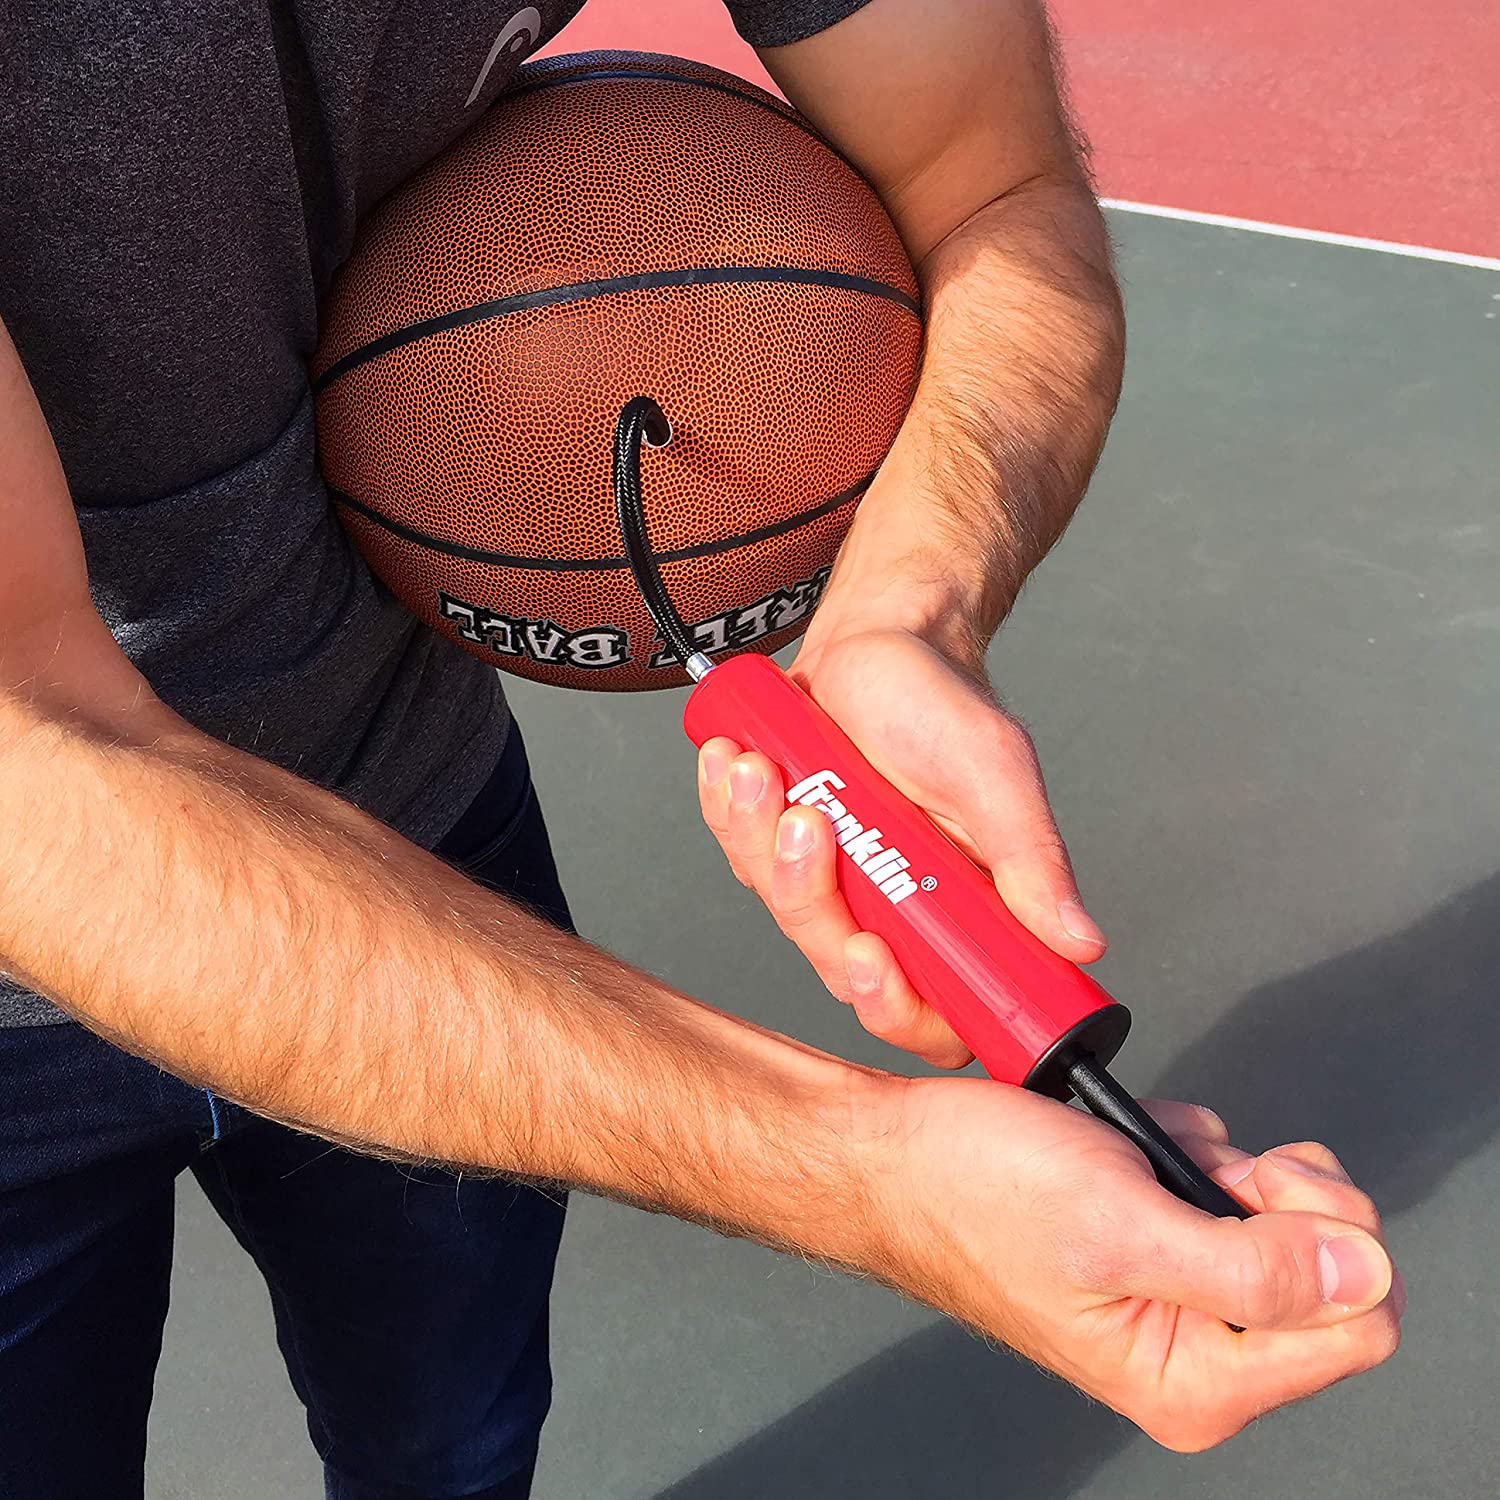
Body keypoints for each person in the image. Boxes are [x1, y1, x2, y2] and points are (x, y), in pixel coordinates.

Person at [0, 0, 1402, 1495]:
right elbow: (35, 748)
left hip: (421, 818)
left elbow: (984, 177)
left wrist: (904, 609)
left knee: (458, 1436)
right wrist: (870, 1176)